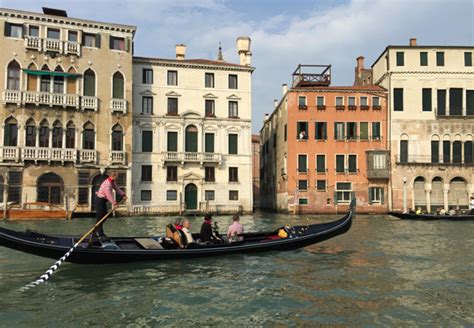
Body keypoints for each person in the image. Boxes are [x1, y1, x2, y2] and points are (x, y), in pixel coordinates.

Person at [91, 170, 126, 242]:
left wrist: (123, 194)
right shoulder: (108, 184)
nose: (118, 177)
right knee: (100, 218)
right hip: (99, 201)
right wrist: (114, 203)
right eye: (117, 176)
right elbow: (108, 194)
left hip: (103, 201)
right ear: (114, 176)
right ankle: (99, 234)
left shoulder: (112, 182)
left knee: (104, 217)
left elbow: (117, 189)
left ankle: (95, 232)